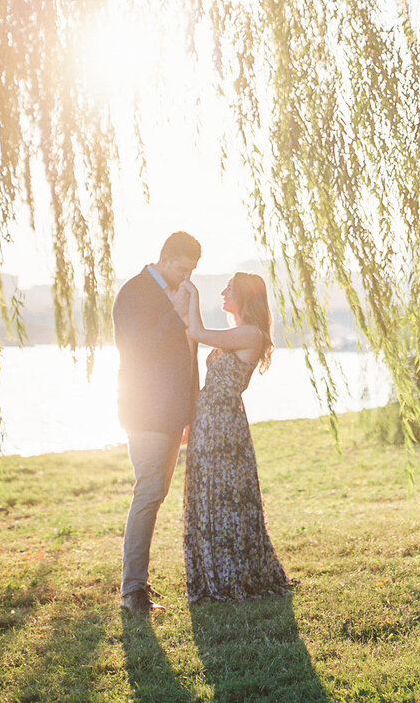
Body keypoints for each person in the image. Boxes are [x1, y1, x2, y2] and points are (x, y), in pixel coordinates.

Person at [179, 270, 291, 602]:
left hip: (223, 425)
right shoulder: (237, 332)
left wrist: (192, 292)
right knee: (208, 493)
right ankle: (210, 569)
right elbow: (192, 335)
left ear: (243, 297)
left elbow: (197, 332)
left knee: (224, 496)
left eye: (229, 290)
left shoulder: (250, 334)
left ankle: (229, 573)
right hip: (209, 418)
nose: (223, 294)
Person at [113, 231, 202, 615]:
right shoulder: (135, 293)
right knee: (147, 493)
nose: (187, 276)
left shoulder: (172, 294)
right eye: (183, 268)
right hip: (145, 410)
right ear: (165, 258)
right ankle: (132, 592)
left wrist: (189, 413)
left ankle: (138, 586)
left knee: (154, 495)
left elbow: (186, 357)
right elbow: (138, 347)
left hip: (169, 414)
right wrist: (176, 315)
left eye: (192, 270)